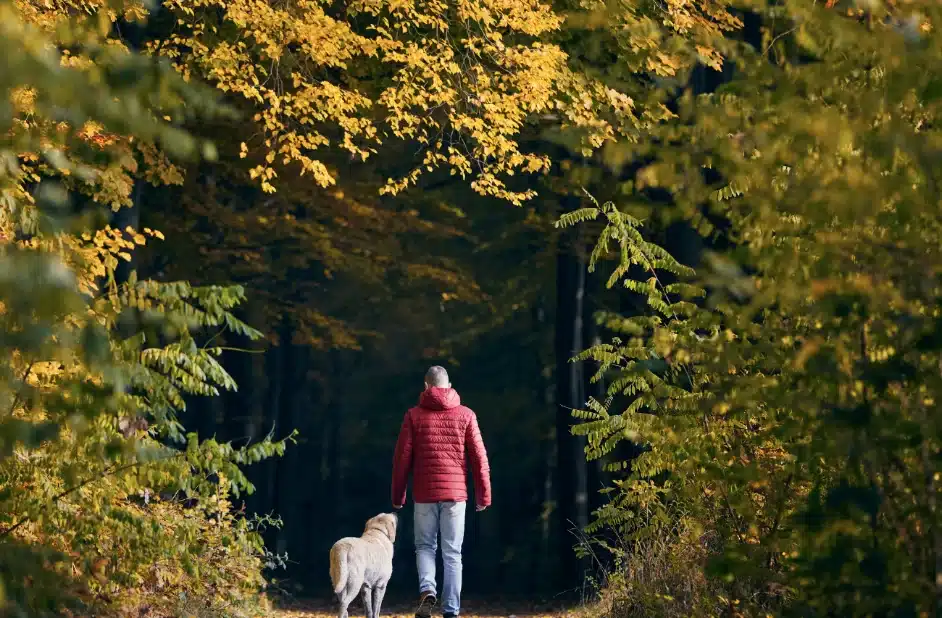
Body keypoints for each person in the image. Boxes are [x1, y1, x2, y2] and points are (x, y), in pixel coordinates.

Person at [391, 365, 491, 618]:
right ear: (449, 385)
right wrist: (484, 495)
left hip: (424, 494)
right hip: (456, 496)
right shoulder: (467, 415)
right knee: (452, 553)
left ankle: (427, 590)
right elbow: (480, 458)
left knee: (425, 546)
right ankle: (451, 611)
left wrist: (398, 496)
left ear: (426, 386)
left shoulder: (413, 416)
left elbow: (402, 459)